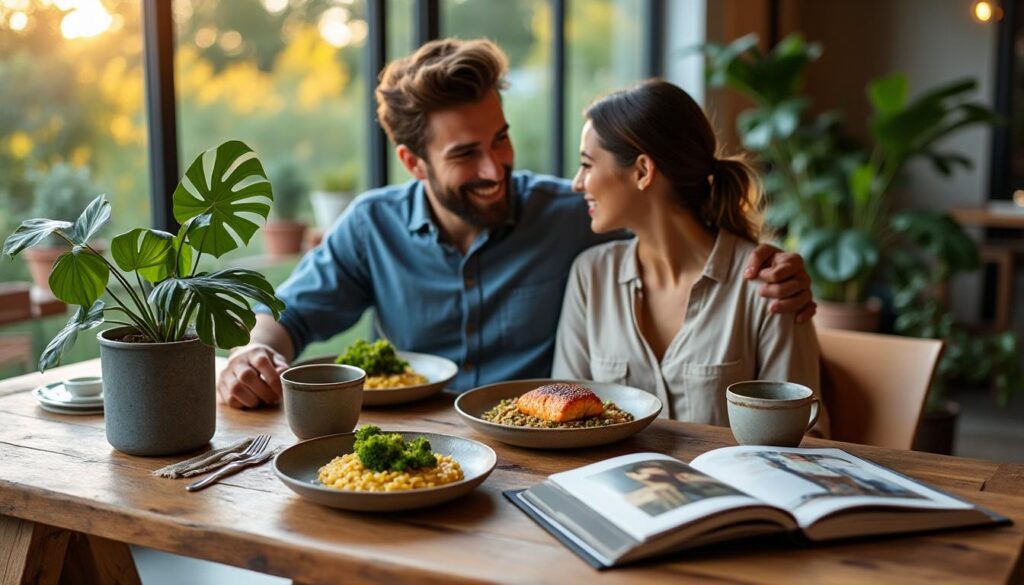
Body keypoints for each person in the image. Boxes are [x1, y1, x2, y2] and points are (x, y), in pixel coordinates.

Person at [217, 39, 816, 409]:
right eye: (463, 154)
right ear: (413, 162)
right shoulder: (373, 226)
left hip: (533, 459)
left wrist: (776, 264)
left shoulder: (572, 214)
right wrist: (253, 356)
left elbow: (679, 222)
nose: (494, 168)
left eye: (500, 140)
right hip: (420, 458)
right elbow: (286, 317)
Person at [551, 79, 827, 434]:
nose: (577, 183)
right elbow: (561, 419)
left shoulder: (768, 284)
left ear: (642, 171)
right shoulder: (591, 276)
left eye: (587, 165)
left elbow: (803, 434)